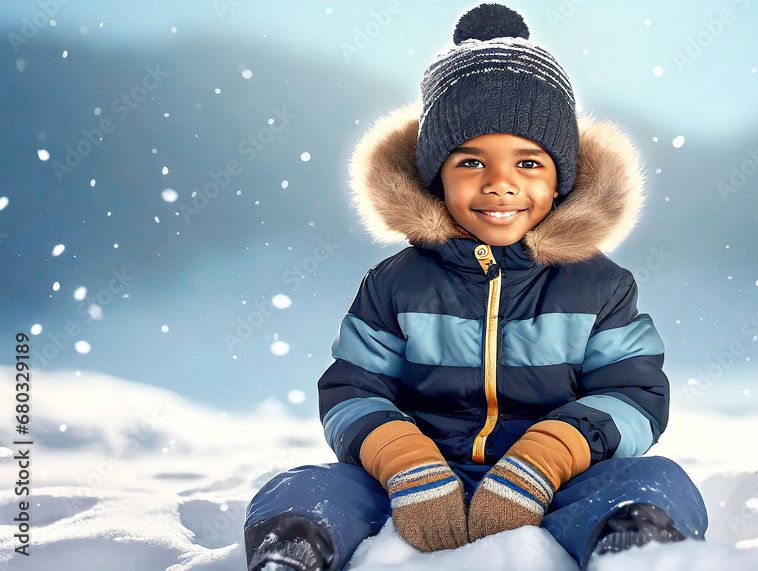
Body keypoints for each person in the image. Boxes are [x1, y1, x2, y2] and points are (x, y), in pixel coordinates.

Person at [243, 4, 708, 570]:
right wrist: (404, 459)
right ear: (435, 174)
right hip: (415, 481)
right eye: (470, 161)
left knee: (654, 479)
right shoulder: (396, 284)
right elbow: (351, 389)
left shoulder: (599, 286)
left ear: (562, 179)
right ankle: (293, 550)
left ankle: (631, 547)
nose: (500, 183)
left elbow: (634, 395)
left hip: (558, 478)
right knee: (311, 486)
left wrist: (547, 454)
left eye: (529, 163)